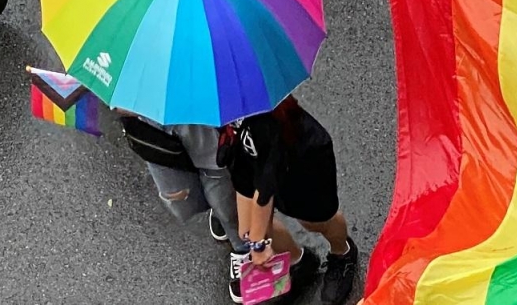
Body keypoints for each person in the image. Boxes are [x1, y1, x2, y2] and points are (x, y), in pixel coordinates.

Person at [218, 95, 359, 305]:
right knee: (247, 230)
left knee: (316, 222)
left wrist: (258, 246)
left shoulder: (265, 116)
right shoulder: (217, 98)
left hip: (301, 164)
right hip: (252, 163)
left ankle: (343, 253)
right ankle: (300, 262)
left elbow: (266, 186)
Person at [117, 113, 247, 298]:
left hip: (199, 123)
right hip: (153, 129)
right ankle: (221, 213)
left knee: (218, 183)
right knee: (181, 194)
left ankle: (242, 246)